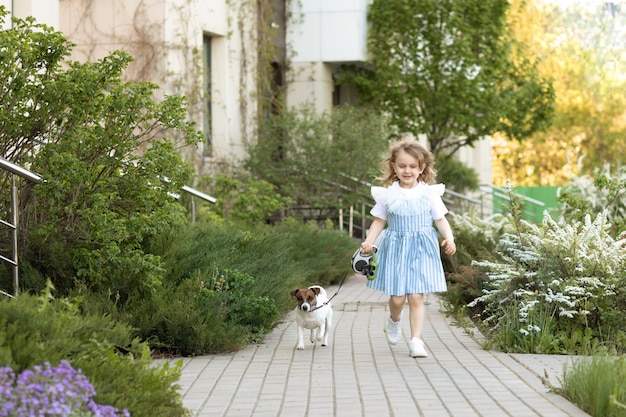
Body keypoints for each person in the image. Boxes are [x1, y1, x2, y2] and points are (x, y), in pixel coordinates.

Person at [360, 139, 456, 358]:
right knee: (397, 299)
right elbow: (378, 221)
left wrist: (449, 238)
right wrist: (369, 242)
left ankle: (416, 341)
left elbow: (440, 219)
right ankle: (394, 320)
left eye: (413, 166)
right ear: (394, 167)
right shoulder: (388, 194)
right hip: (395, 248)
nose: (407, 170)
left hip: (421, 248)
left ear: (422, 168)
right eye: (402, 166)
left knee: (415, 297)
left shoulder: (428, 193)